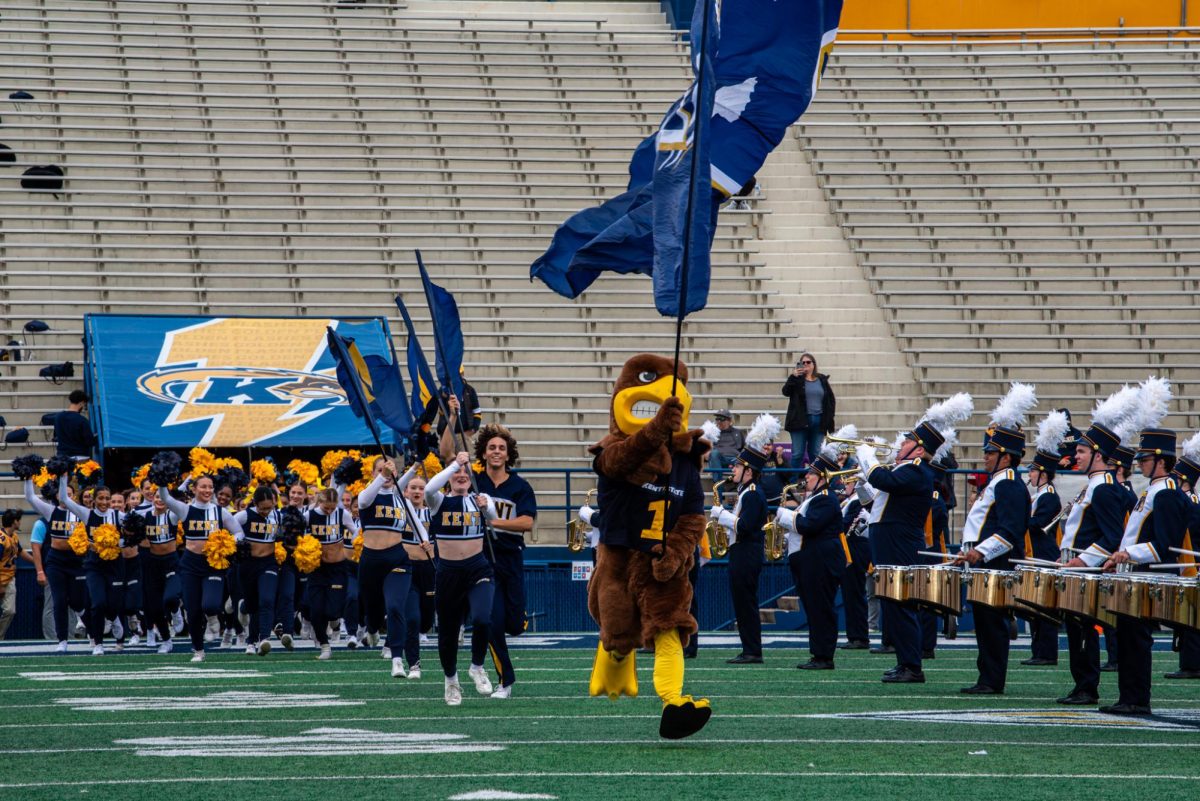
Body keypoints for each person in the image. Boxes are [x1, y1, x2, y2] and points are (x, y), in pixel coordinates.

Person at [857, 393, 972, 684]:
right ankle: (904, 662)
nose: (900, 445)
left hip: (899, 544)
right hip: (889, 540)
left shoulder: (917, 472)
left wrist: (866, 457)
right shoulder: (907, 471)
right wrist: (862, 482)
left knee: (902, 605)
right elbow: (878, 505)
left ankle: (912, 665)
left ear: (920, 451)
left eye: (907, 442)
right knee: (893, 606)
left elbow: (883, 480)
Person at [1056, 385, 1139, 705]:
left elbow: (1110, 537)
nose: (1075, 456)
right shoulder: (1092, 486)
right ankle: (1083, 684)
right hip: (1077, 568)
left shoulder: (1103, 489)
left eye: (1081, 452)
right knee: (1077, 631)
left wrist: (1082, 561)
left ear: (1099, 456)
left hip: (1086, 572)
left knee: (1082, 631)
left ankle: (1087, 685)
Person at [1098, 425, 1191, 714]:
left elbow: (1165, 544)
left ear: (1162, 460)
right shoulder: (1151, 491)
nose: (1139, 463)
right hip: (1135, 575)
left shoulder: (1167, 494)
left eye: (1145, 458)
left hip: (1149, 578)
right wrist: (1121, 557)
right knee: (1127, 637)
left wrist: (1127, 553)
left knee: (1136, 640)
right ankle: (1128, 697)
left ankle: (1137, 699)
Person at [953, 423, 1031, 695]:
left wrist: (980, 552)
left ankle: (992, 679)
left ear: (1006, 456)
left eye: (990, 452)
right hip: (984, 563)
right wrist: (968, 552)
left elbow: (1010, 531)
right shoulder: (999, 482)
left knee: (992, 624)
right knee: (984, 624)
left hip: (996, 564)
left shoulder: (1008, 484)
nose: (985, 457)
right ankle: (986, 676)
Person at [425, 451, 496, 706]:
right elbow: (429, 488)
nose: (461, 476)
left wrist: (487, 509)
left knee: (482, 618)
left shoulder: (480, 500)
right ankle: (451, 680)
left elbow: (495, 521)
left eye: (466, 474)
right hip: (448, 572)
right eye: (457, 473)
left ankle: (477, 666)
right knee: (448, 633)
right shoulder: (439, 501)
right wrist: (455, 463)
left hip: (478, 568)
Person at [472, 423, 537, 698]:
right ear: (484, 453)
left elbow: (527, 522)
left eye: (501, 448)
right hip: (484, 560)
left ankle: (515, 622)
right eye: (492, 448)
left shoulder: (520, 486)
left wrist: (493, 520)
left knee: (514, 625)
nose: (497, 452)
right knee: (491, 620)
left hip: (511, 557)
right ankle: (505, 681)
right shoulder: (475, 483)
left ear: (508, 454)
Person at [775, 449, 849, 670]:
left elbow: (810, 525)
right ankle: (818, 653)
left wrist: (784, 516)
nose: (806, 476)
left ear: (823, 477)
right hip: (812, 559)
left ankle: (824, 655)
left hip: (821, 560)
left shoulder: (826, 499)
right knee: (814, 608)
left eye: (811, 473)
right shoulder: (815, 499)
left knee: (821, 608)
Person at [710, 418, 775, 665]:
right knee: (742, 602)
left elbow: (746, 527)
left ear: (749, 471)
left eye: (737, 467)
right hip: (742, 551)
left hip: (747, 552)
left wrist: (722, 515)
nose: (732, 471)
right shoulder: (745, 493)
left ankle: (752, 651)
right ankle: (749, 648)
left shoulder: (752, 494)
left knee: (746, 603)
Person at [159, 476, 244, 662]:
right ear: (194, 489)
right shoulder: (186, 509)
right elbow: (165, 498)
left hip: (213, 564)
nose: (207, 490)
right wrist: (161, 479)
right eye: (203, 487)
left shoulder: (220, 512)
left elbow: (239, 532)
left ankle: (213, 616)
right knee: (193, 609)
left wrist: (229, 543)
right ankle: (198, 650)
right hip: (190, 564)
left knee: (210, 604)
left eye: (210, 487)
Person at [357, 456, 418, 678]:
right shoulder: (367, 495)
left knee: (394, 607)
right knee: (372, 613)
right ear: (374, 473)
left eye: (389, 471)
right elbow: (364, 500)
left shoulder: (401, 499)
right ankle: (371, 630)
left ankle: (396, 659)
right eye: (380, 470)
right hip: (371, 561)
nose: (385, 474)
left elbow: (416, 524)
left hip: (397, 559)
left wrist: (425, 541)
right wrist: (383, 473)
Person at [1022, 414, 1068, 667]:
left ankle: (1047, 653)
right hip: (1034, 553)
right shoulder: (1038, 494)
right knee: (1034, 606)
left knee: (1045, 608)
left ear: (1042, 473)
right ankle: (1038, 650)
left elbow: (1037, 523)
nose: (1029, 472)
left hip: (1044, 553)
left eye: (1032, 469)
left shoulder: (1048, 496)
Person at [60, 481, 124, 655]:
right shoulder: (87, 514)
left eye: (107, 499)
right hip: (94, 566)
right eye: (101, 498)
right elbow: (65, 497)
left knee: (113, 604)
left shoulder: (119, 516)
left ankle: (114, 617)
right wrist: (63, 476)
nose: (104, 502)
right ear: (94, 500)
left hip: (115, 565)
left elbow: (135, 533)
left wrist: (113, 543)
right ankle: (98, 643)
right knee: (97, 603)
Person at [26, 477, 85, 651]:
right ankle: (62, 641)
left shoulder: (81, 512)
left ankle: (86, 624)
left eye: (69, 494)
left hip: (76, 562)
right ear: (57, 496)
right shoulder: (51, 511)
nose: (66, 497)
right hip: (56, 561)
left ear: (74, 496)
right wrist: (28, 477)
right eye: (62, 494)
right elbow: (30, 497)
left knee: (77, 602)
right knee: (59, 601)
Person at [304, 487, 360, 660]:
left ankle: (335, 623)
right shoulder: (309, 516)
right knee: (316, 610)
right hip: (317, 569)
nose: (329, 511)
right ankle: (324, 645)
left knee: (334, 609)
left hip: (338, 567)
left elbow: (356, 530)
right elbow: (297, 535)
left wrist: (357, 542)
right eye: (326, 507)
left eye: (332, 508)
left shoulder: (342, 514)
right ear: (319, 502)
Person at [1167, 433, 1200, 680]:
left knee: (1191, 618)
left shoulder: (1189, 503)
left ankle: (1192, 664)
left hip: (1193, 564)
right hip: (1187, 563)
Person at [234, 487, 281, 657]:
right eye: (263, 508)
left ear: (275, 502)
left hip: (269, 564)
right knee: (253, 605)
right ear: (255, 503)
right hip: (247, 565)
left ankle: (263, 639)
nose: (266, 512)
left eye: (269, 507)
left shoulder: (279, 516)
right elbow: (228, 527)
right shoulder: (244, 516)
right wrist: (236, 541)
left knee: (266, 600)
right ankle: (245, 612)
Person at [140, 488, 180, 654]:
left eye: (163, 497)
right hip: (152, 563)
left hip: (171, 562)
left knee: (169, 597)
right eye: (157, 496)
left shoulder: (172, 515)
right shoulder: (144, 516)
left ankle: (176, 610)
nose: (160, 499)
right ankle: (166, 640)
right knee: (154, 606)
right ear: (152, 498)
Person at [781, 353, 835, 470]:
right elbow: (785, 392)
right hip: (800, 421)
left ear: (813, 365)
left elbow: (830, 399)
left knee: (815, 454)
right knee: (797, 454)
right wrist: (793, 376)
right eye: (803, 362)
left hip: (819, 420)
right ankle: (792, 484)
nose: (805, 364)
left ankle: (815, 483)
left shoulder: (821, 379)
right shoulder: (796, 379)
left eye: (808, 362)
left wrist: (829, 417)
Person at [837, 474, 871, 651]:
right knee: (851, 594)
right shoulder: (850, 501)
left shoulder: (858, 500)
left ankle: (859, 636)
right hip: (852, 548)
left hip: (855, 548)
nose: (845, 484)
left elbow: (844, 523)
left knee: (855, 593)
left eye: (849, 482)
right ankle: (855, 635)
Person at [0, 510, 35, 639]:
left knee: (10, 610)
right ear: (14, 521)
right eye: (19, 519)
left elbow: (20, 551)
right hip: (2, 578)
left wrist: (36, 562)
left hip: (9, 577)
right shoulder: (1, 539)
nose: (20, 522)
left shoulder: (13, 536)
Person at [53, 390, 97, 459]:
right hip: (80, 456)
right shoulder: (82, 420)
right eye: (84, 404)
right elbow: (89, 441)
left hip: (62, 456)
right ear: (81, 403)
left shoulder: (58, 417)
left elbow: (56, 435)